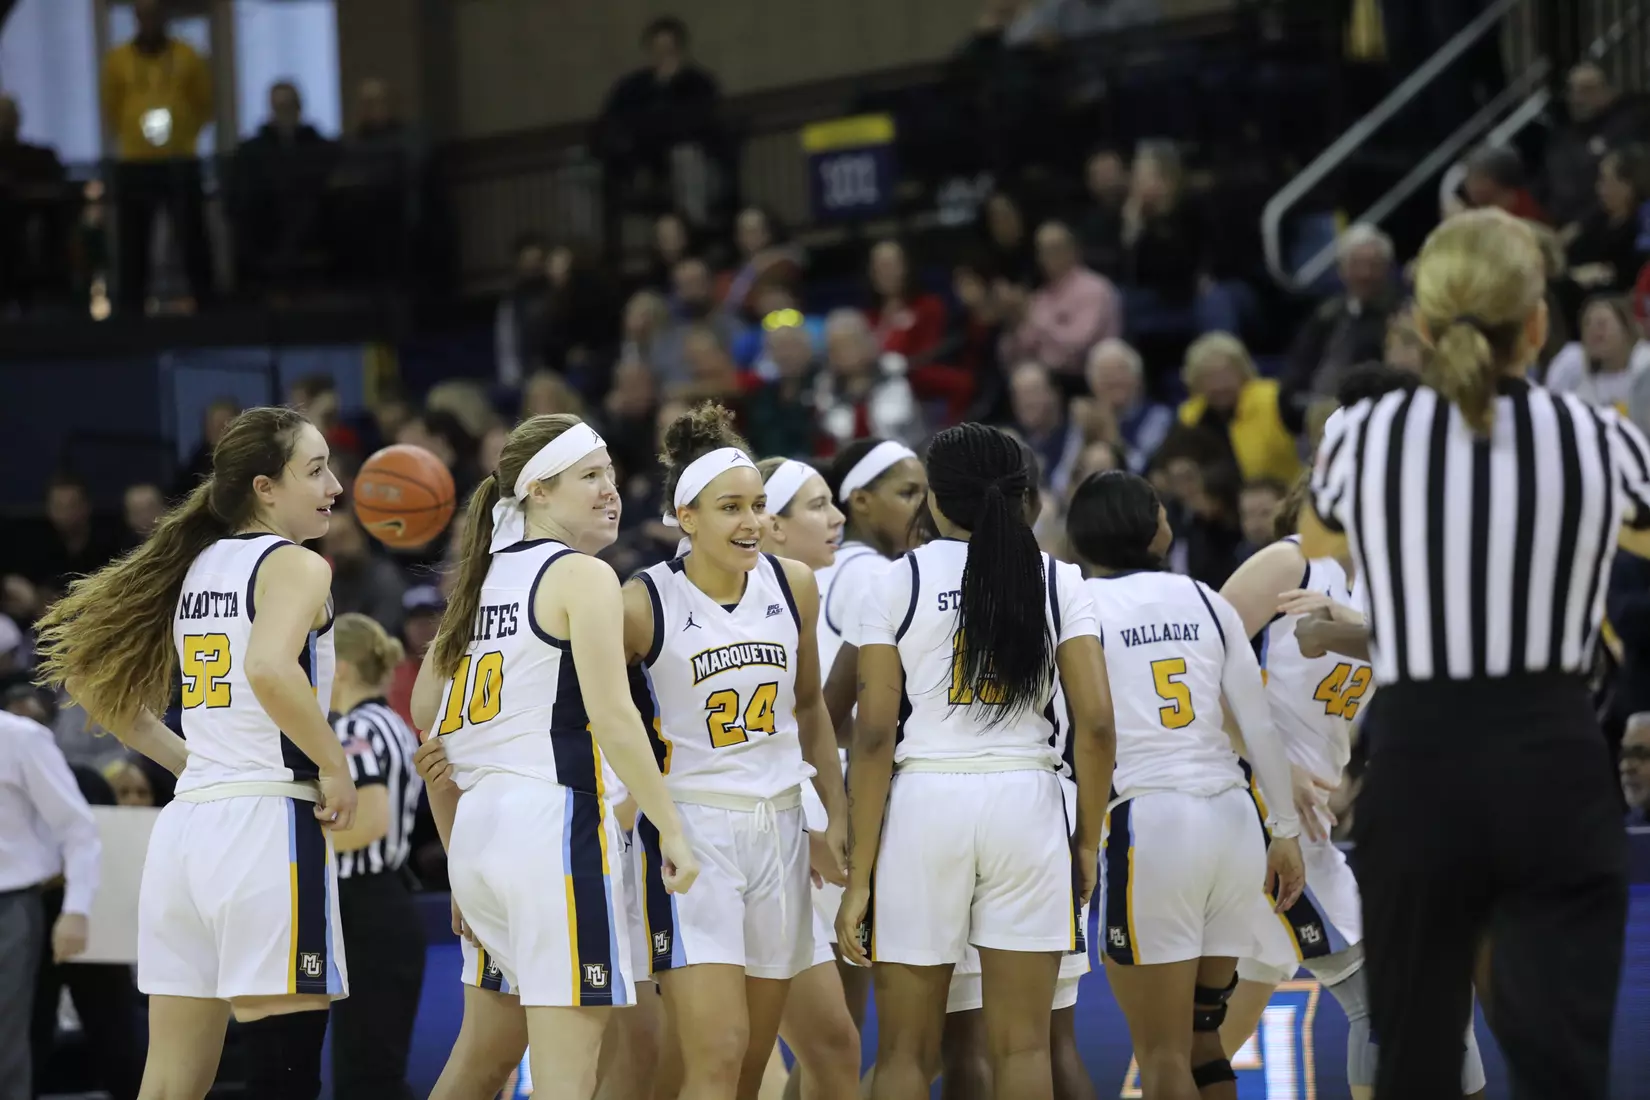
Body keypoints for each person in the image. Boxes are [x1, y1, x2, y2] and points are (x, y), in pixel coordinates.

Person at [1303, 208, 1650, 1098]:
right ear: (1539, 322)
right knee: (1564, 1066)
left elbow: (1321, 540)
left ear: (1422, 322)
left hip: (1419, 765)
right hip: (1555, 760)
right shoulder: (1606, 439)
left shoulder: (1359, 438)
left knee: (1415, 1060)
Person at [34, 405, 355, 1100]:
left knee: (170, 1082)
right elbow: (271, 669)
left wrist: (192, 764)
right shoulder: (296, 564)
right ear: (265, 488)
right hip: (265, 827)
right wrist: (334, 764)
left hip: (187, 835)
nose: (335, 484)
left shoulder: (195, 564)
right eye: (316, 469)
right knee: (285, 1075)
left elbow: (92, 683)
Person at [408, 414, 699, 1100]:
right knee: (570, 1076)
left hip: (481, 837)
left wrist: (459, 850)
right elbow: (613, 716)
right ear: (537, 491)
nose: (611, 490)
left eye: (610, 474)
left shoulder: (476, 587)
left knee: (481, 1061)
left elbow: (429, 724)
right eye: (589, 477)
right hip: (552, 834)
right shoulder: (580, 575)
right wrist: (674, 830)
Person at [837, 422, 1115, 1100]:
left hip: (926, 804)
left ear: (934, 499)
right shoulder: (1058, 579)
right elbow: (1099, 725)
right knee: (1023, 1049)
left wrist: (859, 875)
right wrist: (1087, 840)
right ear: (1022, 495)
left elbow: (872, 735)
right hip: (1028, 802)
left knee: (905, 1050)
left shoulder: (895, 582)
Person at [1216, 475, 1485, 1100]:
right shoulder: (1290, 560)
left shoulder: (1392, 592)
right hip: (1261, 810)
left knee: (1208, 1045)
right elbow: (1193, 656)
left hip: (1306, 816)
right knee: (1392, 1003)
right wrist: (1268, 765)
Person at [624, 403, 850, 1100]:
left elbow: (808, 708)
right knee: (716, 1054)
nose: (751, 521)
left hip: (781, 826)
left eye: (756, 505)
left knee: (748, 1061)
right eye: (730, 508)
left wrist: (829, 818)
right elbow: (597, 711)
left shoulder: (794, 585)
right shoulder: (640, 602)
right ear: (685, 516)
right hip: (692, 835)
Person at [1065, 469, 1304, 1100]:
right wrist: (1284, 831)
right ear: (1152, 526)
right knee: (1205, 1043)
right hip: (1233, 821)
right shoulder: (1204, 596)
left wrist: (1082, 835)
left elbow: (1081, 728)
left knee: (1160, 1055)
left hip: (1152, 824)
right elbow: (1259, 726)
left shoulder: (1076, 605)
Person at [753, 457, 864, 1100]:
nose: (837, 515)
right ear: (772, 525)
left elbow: (809, 719)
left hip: (794, 828)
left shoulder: (801, 594)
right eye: (817, 504)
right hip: (738, 839)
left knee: (831, 1045)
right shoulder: (675, 602)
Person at [327, 614, 426, 1100]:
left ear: (339, 667)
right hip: (381, 905)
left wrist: (291, 844)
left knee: (365, 1075)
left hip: (364, 907)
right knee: (372, 1068)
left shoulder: (355, 730)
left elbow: (368, 821)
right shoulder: (389, 722)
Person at [0, 709, 101, 1100]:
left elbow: (77, 827)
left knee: (4, 1043)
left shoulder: (21, 737)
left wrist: (77, 909)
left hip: (9, 906)